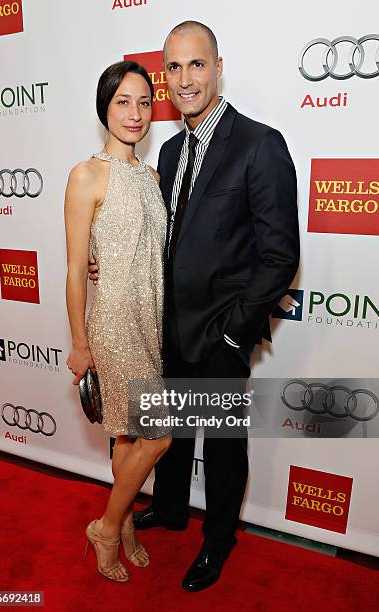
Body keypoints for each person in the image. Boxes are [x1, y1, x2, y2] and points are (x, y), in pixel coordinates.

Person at [89, 21, 300, 591]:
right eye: (174, 68)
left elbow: (280, 256)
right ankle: (174, 508)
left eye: (196, 64)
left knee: (225, 448)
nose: (185, 79)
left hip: (221, 332)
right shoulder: (173, 148)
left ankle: (218, 541)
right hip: (164, 326)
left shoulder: (260, 144)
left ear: (218, 66)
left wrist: (235, 331)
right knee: (172, 432)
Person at [65, 60, 171, 583]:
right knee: (159, 436)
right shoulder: (86, 175)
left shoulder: (152, 177)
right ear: (104, 108)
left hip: (150, 321)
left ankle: (124, 524)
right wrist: (79, 342)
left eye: (144, 102)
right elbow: (74, 268)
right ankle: (106, 529)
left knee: (129, 440)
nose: (135, 113)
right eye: (122, 102)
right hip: (112, 324)